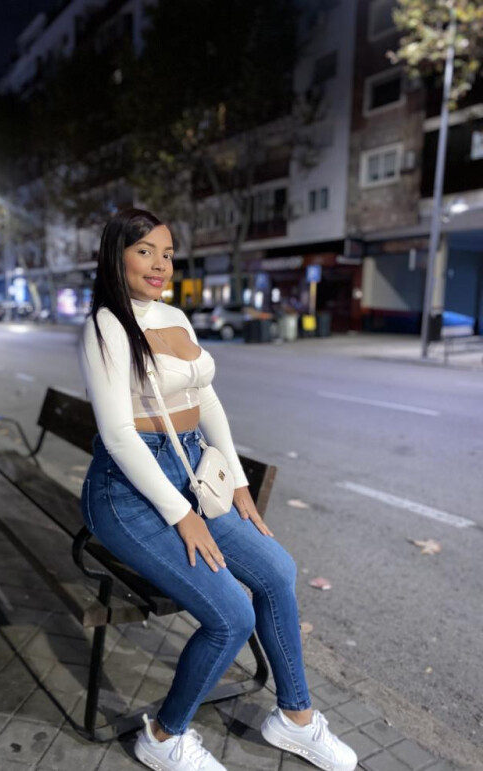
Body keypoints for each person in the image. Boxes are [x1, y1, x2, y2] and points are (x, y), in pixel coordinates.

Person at [80, 208, 357, 771]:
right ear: (116, 256)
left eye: (167, 253)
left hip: (188, 473)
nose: (160, 264)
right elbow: (118, 434)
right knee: (231, 616)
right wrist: (181, 514)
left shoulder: (176, 316)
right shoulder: (106, 325)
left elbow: (205, 400)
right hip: (126, 493)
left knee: (277, 572)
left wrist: (238, 483)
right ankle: (163, 737)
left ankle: (295, 717)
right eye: (145, 251)